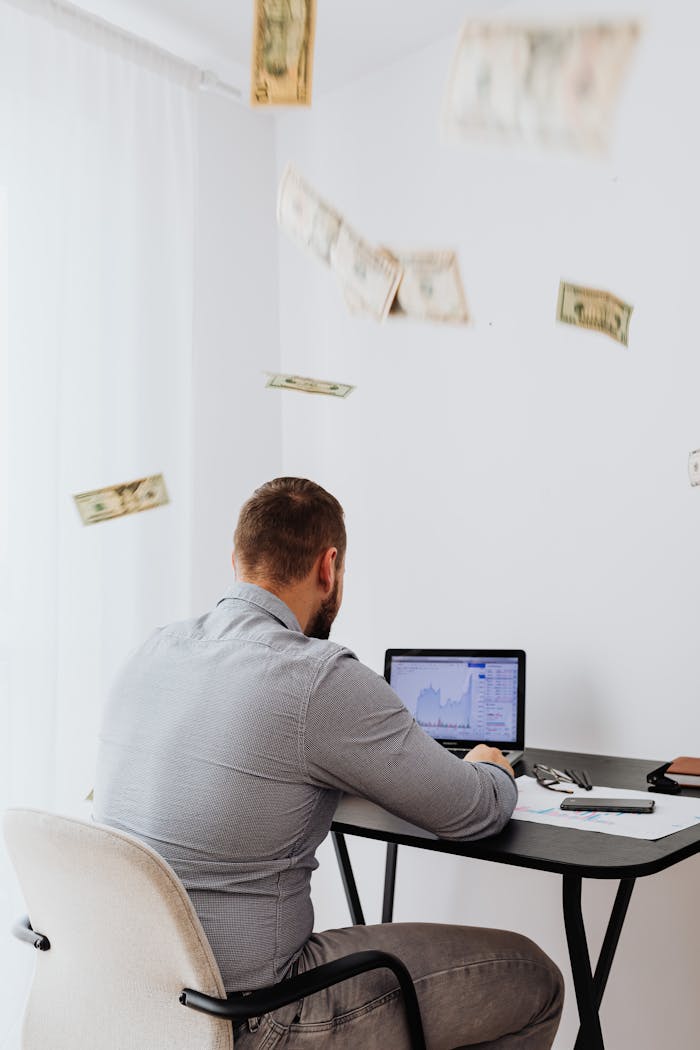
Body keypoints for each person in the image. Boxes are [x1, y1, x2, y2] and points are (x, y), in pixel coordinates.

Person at [95, 477, 563, 1049]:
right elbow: (474, 812)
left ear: (238, 558)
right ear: (329, 565)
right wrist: (492, 767)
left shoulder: (152, 650)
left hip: (135, 1002)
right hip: (254, 1015)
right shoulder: (318, 677)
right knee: (535, 977)